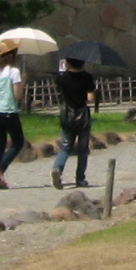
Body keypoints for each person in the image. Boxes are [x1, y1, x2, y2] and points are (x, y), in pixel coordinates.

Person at [51, 52, 99, 190]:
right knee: (83, 149)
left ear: (68, 62)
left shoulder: (61, 77)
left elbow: (60, 92)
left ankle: (58, 169)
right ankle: (80, 179)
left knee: (66, 146)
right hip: (82, 115)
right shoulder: (87, 77)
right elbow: (90, 99)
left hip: (67, 113)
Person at [0, 39, 26, 190]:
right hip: (9, 111)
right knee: (18, 142)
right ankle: (0, 169)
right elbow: (17, 96)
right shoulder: (14, 72)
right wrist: (23, 81)